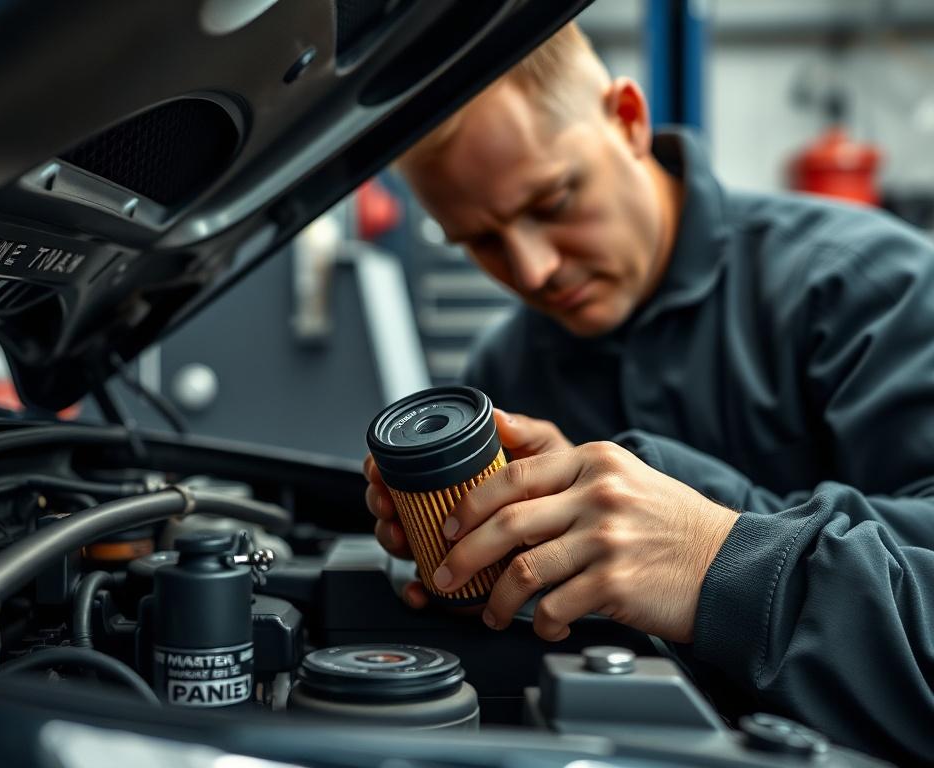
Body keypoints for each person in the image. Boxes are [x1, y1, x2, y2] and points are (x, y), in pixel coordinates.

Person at [361, 21, 934, 764]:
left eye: (554, 200)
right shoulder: (508, 366)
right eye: (481, 239)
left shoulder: (868, 289)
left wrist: (707, 555)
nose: (532, 270)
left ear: (628, 119)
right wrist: (467, 575)